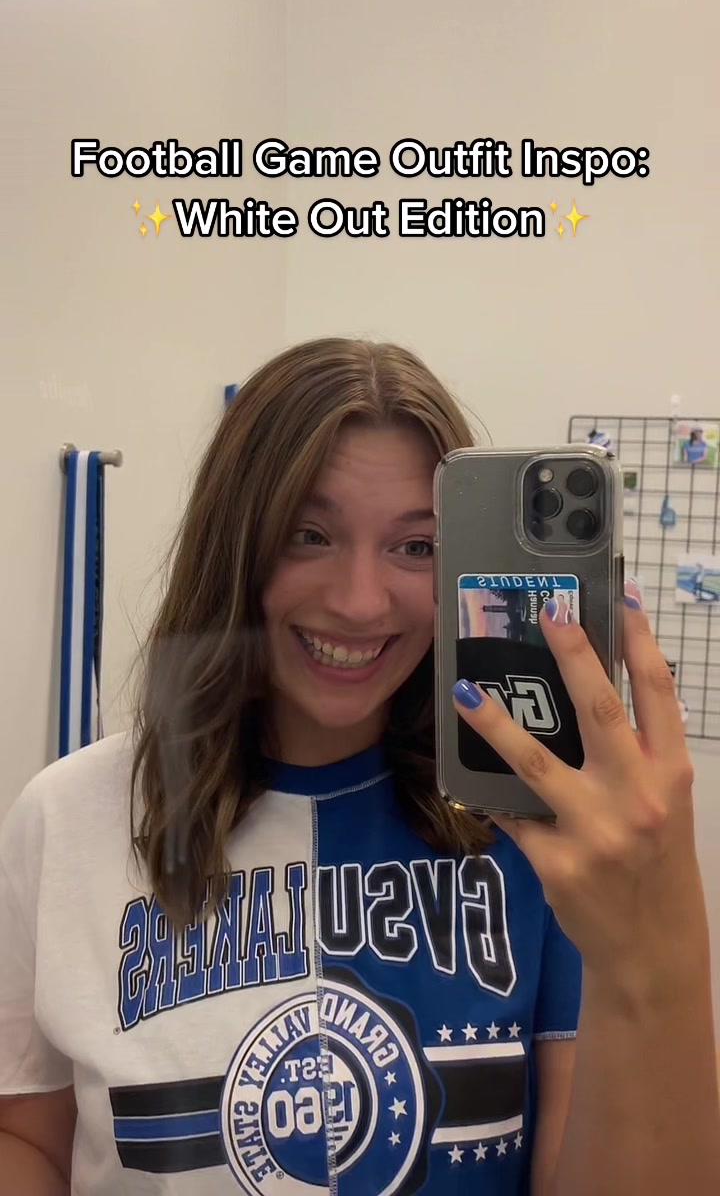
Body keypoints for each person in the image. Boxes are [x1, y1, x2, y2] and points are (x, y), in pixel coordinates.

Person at [0, 338, 718, 1196]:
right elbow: (30, 1142)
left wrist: (662, 938)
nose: (359, 600)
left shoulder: (539, 831)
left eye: (415, 547)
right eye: (309, 535)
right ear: (235, 547)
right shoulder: (67, 818)